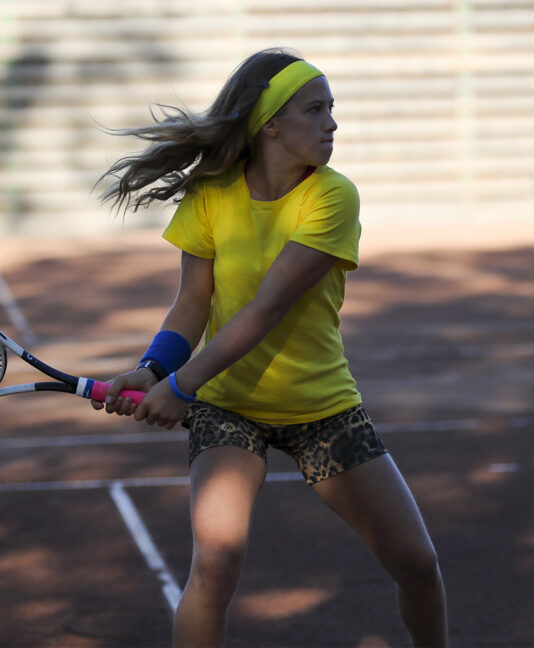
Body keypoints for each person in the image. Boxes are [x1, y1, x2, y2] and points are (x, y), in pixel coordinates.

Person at [93, 48, 448, 648]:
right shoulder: (211, 194)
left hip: (321, 409)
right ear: (270, 125)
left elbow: (267, 307)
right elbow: (191, 305)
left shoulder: (333, 197)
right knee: (216, 561)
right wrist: (153, 368)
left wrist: (180, 388)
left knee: (416, 563)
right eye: (316, 109)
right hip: (229, 408)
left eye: (332, 109)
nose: (332, 123)